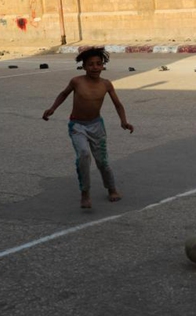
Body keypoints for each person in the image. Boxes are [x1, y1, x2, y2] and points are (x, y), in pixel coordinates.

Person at [43, 47, 134, 209]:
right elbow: (64, 94)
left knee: (102, 161)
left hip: (97, 126)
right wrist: (52, 108)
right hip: (77, 125)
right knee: (84, 155)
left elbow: (118, 105)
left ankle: (111, 188)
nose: (95, 67)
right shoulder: (76, 81)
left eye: (99, 64)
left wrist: (124, 121)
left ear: (103, 66)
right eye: (90, 64)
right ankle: (85, 193)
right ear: (84, 66)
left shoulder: (106, 84)